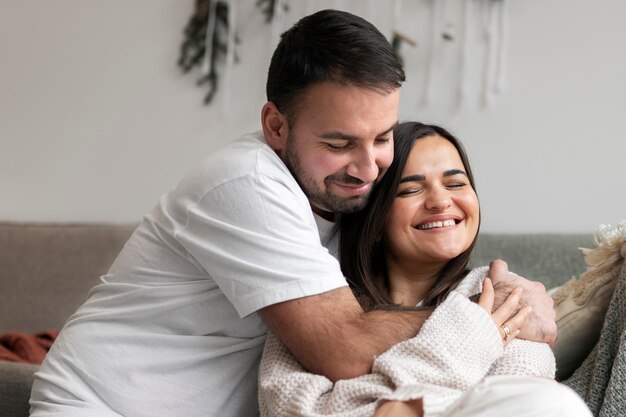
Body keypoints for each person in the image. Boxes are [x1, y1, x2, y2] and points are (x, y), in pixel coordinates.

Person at [30, 9, 556, 417]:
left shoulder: (348, 195)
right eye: (339, 141)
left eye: (381, 138)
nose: (368, 167)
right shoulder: (247, 184)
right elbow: (345, 349)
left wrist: (520, 296)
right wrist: (487, 320)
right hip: (102, 404)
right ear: (276, 126)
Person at [259, 122, 592, 417]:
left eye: (456, 184)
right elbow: (290, 409)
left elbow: (527, 397)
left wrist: (382, 400)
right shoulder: (318, 302)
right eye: (411, 189)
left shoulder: (503, 291)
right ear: (374, 216)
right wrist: (472, 337)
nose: (440, 201)